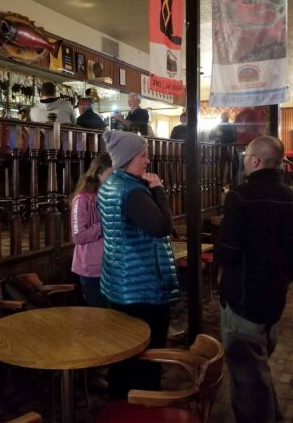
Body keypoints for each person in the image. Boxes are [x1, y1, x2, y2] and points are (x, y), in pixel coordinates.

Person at [215, 136, 293, 423]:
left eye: (246, 156)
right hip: (274, 299)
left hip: (242, 302)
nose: (244, 160)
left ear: (255, 160)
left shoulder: (239, 196)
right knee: (259, 370)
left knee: (248, 384)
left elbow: (227, 253)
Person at [98, 130, 179, 399]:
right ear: (129, 157)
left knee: (124, 354)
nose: (147, 160)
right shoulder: (132, 192)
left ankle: (121, 403)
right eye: (143, 155)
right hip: (141, 288)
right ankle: (142, 405)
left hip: (120, 283)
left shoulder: (109, 185)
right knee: (146, 356)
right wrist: (159, 190)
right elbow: (162, 226)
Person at [71, 153, 113, 308]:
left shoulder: (111, 195)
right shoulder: (82, 199)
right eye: (110, 175)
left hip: (112, 266)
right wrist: (105, 225)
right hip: (91, 268)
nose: (113, 180)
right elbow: (78, 236)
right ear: (98, 174)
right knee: (99, 315)